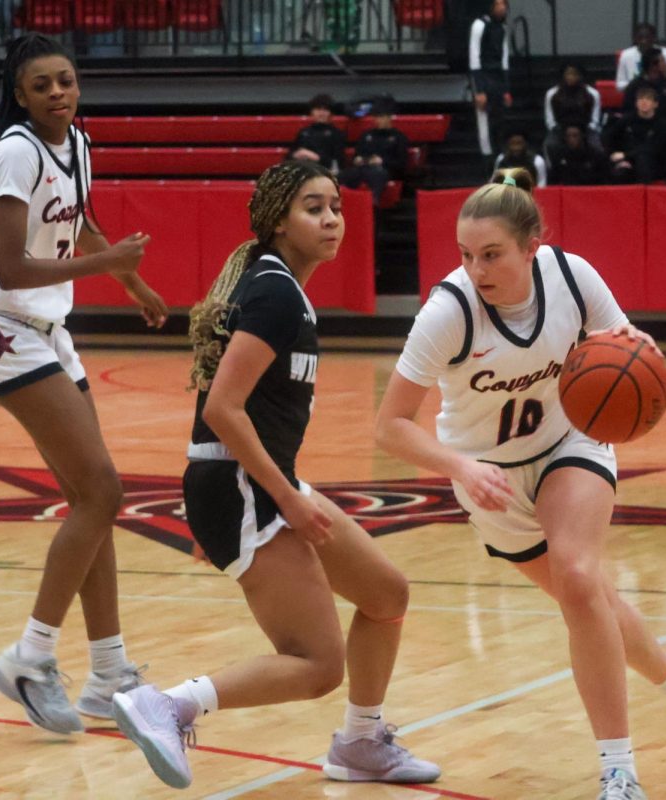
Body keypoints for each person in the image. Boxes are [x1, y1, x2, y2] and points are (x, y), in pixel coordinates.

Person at [374, 167, 666, 800]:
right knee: (588, 599)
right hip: (486, 473)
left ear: (532, 247)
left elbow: (626, 346)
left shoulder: (573, 277)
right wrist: (462, 468)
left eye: (492, 254)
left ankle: (619, 771)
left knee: (578, 575)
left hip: (569, 442)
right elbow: (389, 427)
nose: (478, 269)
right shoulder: (448, 311)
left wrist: (639, 350)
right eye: (467, 255)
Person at [111, 160, 440, 790]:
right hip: (245, 485)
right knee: (317, 664)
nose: (331, 219)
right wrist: (285, 498)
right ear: (277, 222)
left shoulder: (279, 286)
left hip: (245, 482)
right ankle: (170, 705)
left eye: (336, 207)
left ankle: (363, 744)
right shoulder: (276, 292)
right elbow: (221, 408)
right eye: (314, 208)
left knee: (385, 594)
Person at [0, 33, 169, 735]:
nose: (58, 92)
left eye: (66, 80)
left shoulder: (76, 143)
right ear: (19, 95)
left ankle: (109, 673)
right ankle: (31, 656)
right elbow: (13, 270)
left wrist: (129, 278)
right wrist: (107, 262)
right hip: (3, 327)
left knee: (94, 499)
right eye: (42, 84)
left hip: (48, 331)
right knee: (102, 490)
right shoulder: (14, 150)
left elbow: (75, 224)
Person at [341, 97, 410, 205]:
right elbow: (357, 155)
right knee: (345, 175)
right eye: (376, 117)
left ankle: (373, 202)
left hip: (386, 170)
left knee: (378, 174)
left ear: (389, 118)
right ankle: (341, 203)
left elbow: (402, 163)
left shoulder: (399, 137)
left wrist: (382, 161)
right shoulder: (366, 135)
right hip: (363, 168)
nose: (378, 120)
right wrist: (357, 159)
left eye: (381, 117)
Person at [604, 86, 666, 184]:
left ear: (655, 104)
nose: (643, 102)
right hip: (628, 161)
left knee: (643, 160)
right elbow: (609, 138)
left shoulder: (661, 125)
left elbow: (652, 148)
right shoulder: (626, 120)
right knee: (620, 171)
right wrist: (613, 154)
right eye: (640, 99)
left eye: (648, 99)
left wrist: (626, 155)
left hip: (654, 163)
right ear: (636, 103)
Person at [469, 0, 512, 156]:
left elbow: (504, 58)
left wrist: (506, 89)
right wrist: (479, 90)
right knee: (484, 123)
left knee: (499, 120)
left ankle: (499, 156)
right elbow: (474, 57)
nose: (502, 8)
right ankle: (487, 159)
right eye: (498, 5)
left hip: (498, 77)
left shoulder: (502, 27)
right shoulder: (479, 25)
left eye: (504, 5)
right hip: (484, 75)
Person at [544, 63, 603, 160]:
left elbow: (595, 119)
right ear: (563, 76)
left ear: (580, 76)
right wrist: (559, 130)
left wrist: (584, 131)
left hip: (586, 129)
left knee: (597, 147)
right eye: (568, 74)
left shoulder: (593, 93)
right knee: (550, 145)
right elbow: (549, 119)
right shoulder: (552, 93)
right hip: (560, 129)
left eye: (575, 74)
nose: (571, 77)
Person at [622, 49, 666, 134]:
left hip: (665, 130)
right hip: (640, 129)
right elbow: (628, 111)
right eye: (663, 61)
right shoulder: (634, 86)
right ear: (653, 65)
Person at [289, 94, 347, 173]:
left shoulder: (336, 134)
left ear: (330, 113)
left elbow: (338, 163)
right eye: (318, 109)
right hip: (302, 171)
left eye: (325, 110)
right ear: (312, 112)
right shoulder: (304, 132)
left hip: (324, 173)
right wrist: (295, 155)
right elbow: (290, 155)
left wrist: (316, 157)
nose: (321, 113)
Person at [616, 23, 666, 92]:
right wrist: (638, 85)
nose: (644, 41)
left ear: (654, 38)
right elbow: (620, 85)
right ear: (634, 38)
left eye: (647, 37)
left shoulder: (665, 54)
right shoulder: (626, 55)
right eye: (640, 37)